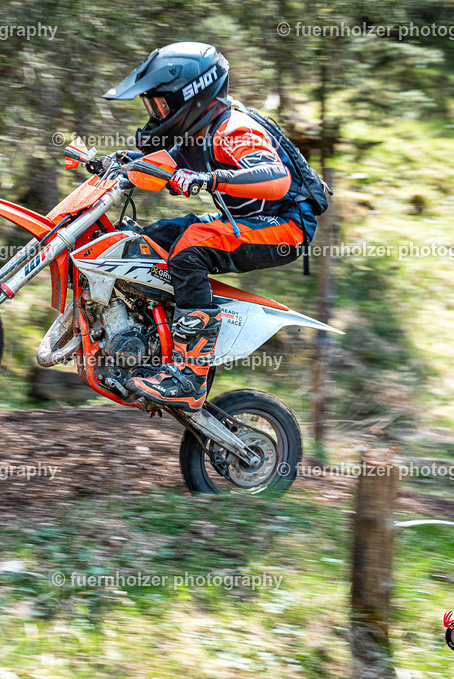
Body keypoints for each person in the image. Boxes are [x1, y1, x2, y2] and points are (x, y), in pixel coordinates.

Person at [102, 41, 316, 411]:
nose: (155, 112)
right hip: (245, 218)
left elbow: (276, 178)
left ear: (192, 97)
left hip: (285, 226)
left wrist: (212, 179)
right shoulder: (196, 132)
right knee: (151, 239)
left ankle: (188, 375)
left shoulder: (233, 129)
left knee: (190, 248)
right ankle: (154, 343)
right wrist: (116, 164)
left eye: (161, 104)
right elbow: (162, 163)